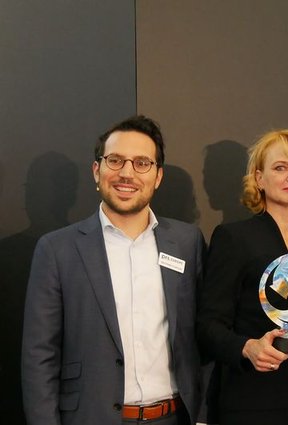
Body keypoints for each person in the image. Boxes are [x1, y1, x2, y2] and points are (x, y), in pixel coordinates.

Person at [21, 116, 205, 425]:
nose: (127, 173)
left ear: (158, 176)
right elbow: (39, 356)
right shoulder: (57, 249)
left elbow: (203, 336)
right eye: (115, 160)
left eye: (142, 163)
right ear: (97, 170)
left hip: (174, 417)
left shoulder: (187, 243)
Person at [196, 129, 288, 425]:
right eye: (280, 167)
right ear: (259, 178)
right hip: (251, 402)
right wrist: (247, 347)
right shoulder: (234, 238)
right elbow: (208, 326)